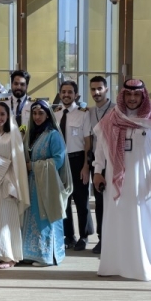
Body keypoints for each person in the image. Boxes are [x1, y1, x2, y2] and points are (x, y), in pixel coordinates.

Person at [92, 79, 151, 282]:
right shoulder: (112, 118)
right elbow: (100, 149)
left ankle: (150, 266)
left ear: (143, 96)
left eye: (136, 95)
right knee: (116, 222)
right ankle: (115, 265)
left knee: (145, 223)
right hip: (115, 181)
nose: (132, 99)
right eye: (128, 95)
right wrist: (97, 171)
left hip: (145, 182)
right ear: (123, 96)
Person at [22, 100, 72, 266]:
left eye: (40, 113)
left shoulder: (53, 135)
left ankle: (47, 256)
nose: (37, 117)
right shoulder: (32, 134)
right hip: (33, 184)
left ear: (48, 115)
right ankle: (32, 253)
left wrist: (34, 166)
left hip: (48, 184)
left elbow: (58, 160)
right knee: (33, 218)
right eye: (34, 114)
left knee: (46, 217)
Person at [0, 102, 30, 269]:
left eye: (2, 114)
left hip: (7, 182)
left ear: (8, 116)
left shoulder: (13, 135)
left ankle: (11, 256)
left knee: (8, 219)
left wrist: (15, 186)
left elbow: (17, 163)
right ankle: (0, 253)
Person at [54, 81, 94, 251]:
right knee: (64, 201)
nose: (66, 95)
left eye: (70, 92)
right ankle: (69, 236)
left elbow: (88, 142)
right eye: (63, 92)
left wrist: (86, 166)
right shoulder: (55, 114)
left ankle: (84, 236)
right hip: (60, 161)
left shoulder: (83, 114)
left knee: (81, 200)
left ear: (76, 95)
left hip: (78, 160)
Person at [88, 76, 116, 254]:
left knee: (114, 200)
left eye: (100, 88)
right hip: (96, 162)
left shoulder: (116, 110)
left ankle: (115, 238)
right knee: (99, 202)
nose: (96, 92)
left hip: (114, 161)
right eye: (93, 89)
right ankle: (102, 239)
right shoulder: (89, 112)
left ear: (106, 89)